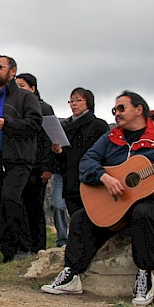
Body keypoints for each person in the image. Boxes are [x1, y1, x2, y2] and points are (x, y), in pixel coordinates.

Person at [42, 91, 154, 306]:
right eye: (115, 110)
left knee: (142, 213)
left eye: (122, 108)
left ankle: (144, 274)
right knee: (81, 218)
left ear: (139, 110)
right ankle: (72, 274)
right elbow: (87, 161)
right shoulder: (111, 137)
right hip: (119, 200)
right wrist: (104, 177)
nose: (116, 114)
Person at [0, 55, 42, 263]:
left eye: (0, 67)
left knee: (11, 199)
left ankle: (24, 248)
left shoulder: (25, 97)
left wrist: (8, 123)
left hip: (17, 160)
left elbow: (35, 123)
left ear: (12, 71)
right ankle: (8, 252)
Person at [53, 88, 110, 216]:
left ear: (88, 103)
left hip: (92, 182)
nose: (74, 104)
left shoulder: (98, 125)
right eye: (71, 101)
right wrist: (58, 152)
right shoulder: (64, 126)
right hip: (71, 182)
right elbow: (64, 158)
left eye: (78, 100)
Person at [15, 73, 56, 253]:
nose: (19, 89)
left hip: (38, 166)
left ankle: (39, 246)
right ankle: (23, 243)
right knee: (20, 205)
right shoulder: (15, 107)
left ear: (33, 88)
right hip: (19, 164)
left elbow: (50, 140)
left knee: (35, 207)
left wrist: (48, 167)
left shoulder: (45, 108)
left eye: (22, 85)